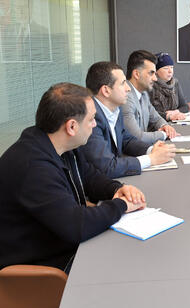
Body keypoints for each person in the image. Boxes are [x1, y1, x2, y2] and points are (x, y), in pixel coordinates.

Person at [0, 83, 146, 272]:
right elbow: (77, 226)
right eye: (91, 119)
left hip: (60, 244)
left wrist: (117, 189)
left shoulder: (62, 146)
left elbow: (89, 176)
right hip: (43, 265)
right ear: (71, 126)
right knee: (126, 264)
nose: (95, 125)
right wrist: (122, 205)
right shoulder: (33, 167)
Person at [82, 61, 176, 179]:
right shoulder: (90, 118)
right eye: (123, 83)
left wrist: (152, 150)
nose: (128, 89)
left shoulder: (115, 109)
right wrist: (150, 159)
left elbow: (126, 140)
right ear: (106, 91)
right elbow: (107, 166)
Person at [122, 50, 178, 146]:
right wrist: (163, 134)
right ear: (136, 74)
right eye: (151, 73)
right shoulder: (125, 97)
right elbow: (137, 137)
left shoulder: (143, 94)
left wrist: (165, 126)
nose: (155, 78)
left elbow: (156, 118)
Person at [150, 52, 190, 121]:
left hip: (175, 121)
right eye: (166, 68)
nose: (170, 71)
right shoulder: (150, 85)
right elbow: (149, 112)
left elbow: (184, 106)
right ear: (156, 71)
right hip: (157, 123)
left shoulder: (175, 83)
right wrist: (169, 116)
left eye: (172, 67)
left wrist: (175, 112)